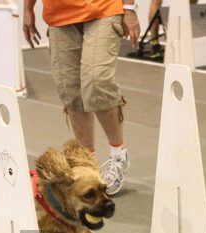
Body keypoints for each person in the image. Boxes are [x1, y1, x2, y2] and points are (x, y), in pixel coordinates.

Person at [23, 0, 140, 195]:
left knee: (96, 82)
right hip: (59, 13)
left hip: (103, 8)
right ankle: (87, 165)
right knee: (70, 91)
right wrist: (28, 8)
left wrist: (129, 8)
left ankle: (118, 155)